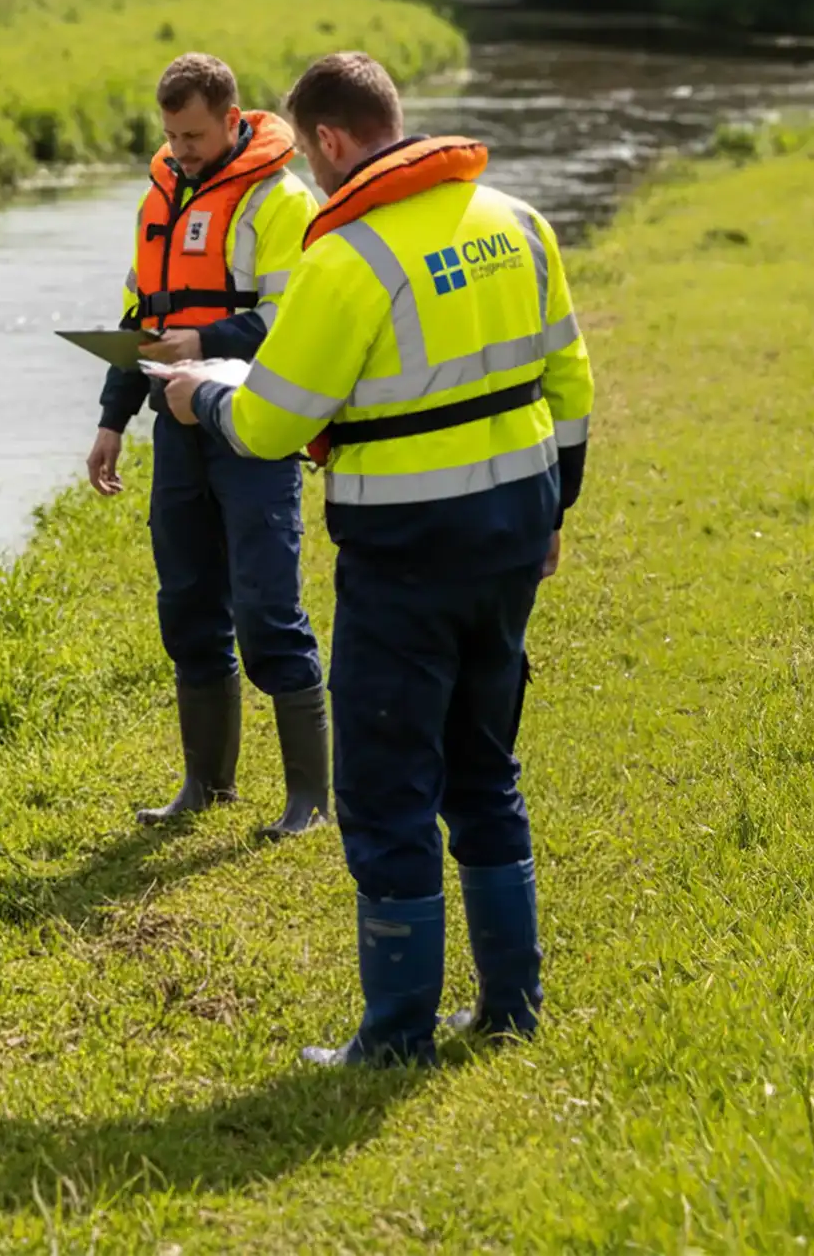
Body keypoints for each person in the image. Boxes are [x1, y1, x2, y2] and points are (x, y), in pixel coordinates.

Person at [150, 52, 594, 1065]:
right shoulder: (517, 221)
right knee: (484, 771)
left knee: (387, 786)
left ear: (332, 142)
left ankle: (394, 1037)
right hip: (512, 536)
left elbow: (270, 423)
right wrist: (555, 511)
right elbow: (570, 381)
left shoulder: (342, 260)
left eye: (314, 152)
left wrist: (198, 396)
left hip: (405, 556)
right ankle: (510, 1009)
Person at [86, 52, 329, 839]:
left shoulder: (280, 200)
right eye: (170, 135)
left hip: (251, 424)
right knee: (187, 603)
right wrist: (113, 419)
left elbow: (294, 316)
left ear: (232, 119)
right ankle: (206, 785)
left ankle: (308, 801)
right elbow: (139, 316)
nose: (180, 149)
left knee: (266, 608)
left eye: (192, 135)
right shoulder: (158, 194)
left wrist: (207, 340)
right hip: (176, 430)